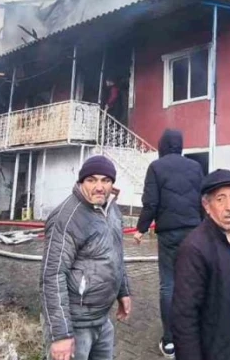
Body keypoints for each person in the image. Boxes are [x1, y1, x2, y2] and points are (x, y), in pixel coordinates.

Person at [40, 156, 132, 360]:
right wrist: (61, 334)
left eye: (105, 180)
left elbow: (116, 253)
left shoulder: (112, 210)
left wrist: (123, 291)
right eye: (92, 180)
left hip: (101, 319)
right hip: (74, 325)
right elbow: (52, 275)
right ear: (81, 182)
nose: (99, 187)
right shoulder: (66, 218)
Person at [171, 169, 230, 360]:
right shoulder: (195, 248)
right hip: (218, 351)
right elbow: (184, 317)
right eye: (220, 199)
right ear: (207, 205)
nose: (229, 207)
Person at [133, 129, 204, 357]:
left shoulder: (156, 167)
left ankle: (170, 341)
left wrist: (141, 229)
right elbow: (204, 200)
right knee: (193, 281)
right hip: (194, 231)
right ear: (180, 145)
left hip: (169, 235)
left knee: (169, 284)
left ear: (162, 145)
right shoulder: (195, 167)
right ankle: (195, 332)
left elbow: (151, 203)